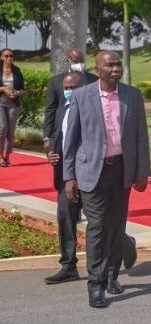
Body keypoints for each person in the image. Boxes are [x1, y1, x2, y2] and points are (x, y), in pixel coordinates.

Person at [63, 51, 149, 307]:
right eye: (109, 65)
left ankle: (112, 274)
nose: (115, 68)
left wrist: (142, 170)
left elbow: (141, 136)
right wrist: (69, 176)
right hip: (91, 171)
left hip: (121, 169)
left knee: (116, 225)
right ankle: (96, 285)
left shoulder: (132, 96)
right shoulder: (82, 95)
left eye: (118, 64)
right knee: (98, 226)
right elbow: (72, 140)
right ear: (97, 69)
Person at [43, 72, 86, 284]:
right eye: (66, 89)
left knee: (101, 222)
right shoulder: (63, 110)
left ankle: (123, 244)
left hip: (89, 176)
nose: (69, 92)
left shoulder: (92, 110)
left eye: (73, 88)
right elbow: (56, 137)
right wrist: (51, 152)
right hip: (65, 175)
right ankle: (68, 266)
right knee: (65, 217)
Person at [44, 48, 99, 151]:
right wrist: (47, 137)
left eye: (81, 61)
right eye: (75, 61)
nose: (79, 64)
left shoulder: (95, 81)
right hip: (61, 132)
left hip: (86, 133)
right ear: (68, 61)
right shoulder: (56, 81)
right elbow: (50, 109)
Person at [0, 48, 25, 167]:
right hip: (1, 102)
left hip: (13, 103)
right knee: (2, 128)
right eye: (6, 56)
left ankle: (7, 156)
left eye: (11, 56)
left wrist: (16, 93)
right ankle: (0, 156)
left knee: (10, 131)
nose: (9, 58)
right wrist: (4, 89)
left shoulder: (17, 70)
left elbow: (22, 89)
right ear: (1, 57)